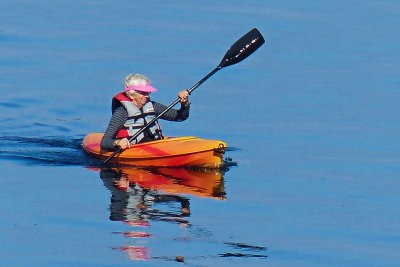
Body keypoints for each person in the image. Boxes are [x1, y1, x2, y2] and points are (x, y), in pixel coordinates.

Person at [101, 74, 190, 150]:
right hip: (134, 149)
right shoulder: (122, 112)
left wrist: (184, 104)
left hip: (155, 145)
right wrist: (118, 142)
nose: (146, 96)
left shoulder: (153, 106)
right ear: (132, 95)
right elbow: (105, 142)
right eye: (143, 93)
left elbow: (180, 117)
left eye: (147, 93)